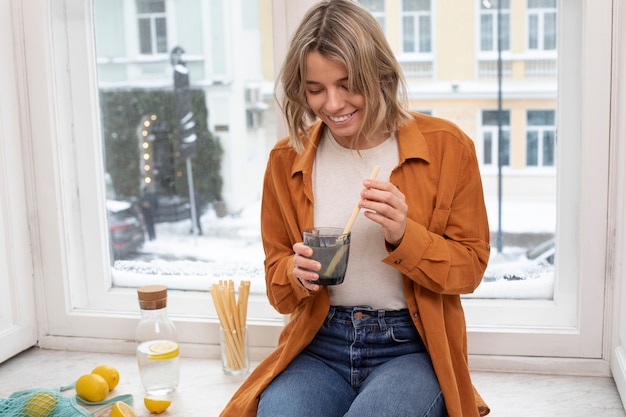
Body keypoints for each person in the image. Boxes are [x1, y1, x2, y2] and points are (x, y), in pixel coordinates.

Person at [221, 1, 491, 416]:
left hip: (410, 348)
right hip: (318, 343)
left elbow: (470, 269)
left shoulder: (448, 148)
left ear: (379, 74)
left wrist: (405, 235)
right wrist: (294, 274)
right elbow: (278, 290)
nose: (332, 104)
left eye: (348, 84)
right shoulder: (284, 160)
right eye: (315, 89)